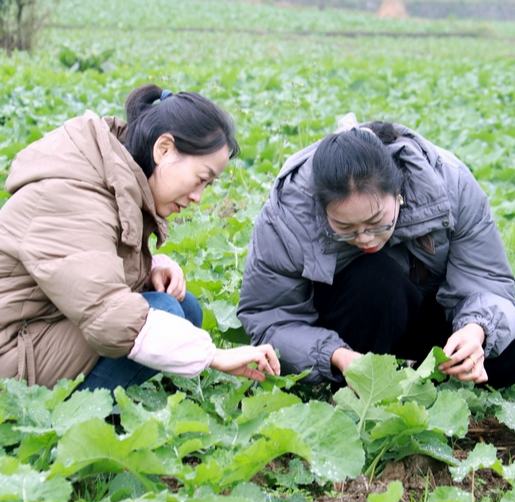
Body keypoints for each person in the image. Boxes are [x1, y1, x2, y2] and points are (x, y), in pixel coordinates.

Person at [0, 84, 279, 391]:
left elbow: (83, 266)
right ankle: (73, 420)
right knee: (165, 311)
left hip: (41, 326)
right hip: (12, 355)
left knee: (185, 309)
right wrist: (213, 356)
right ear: (164, 149)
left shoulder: (110, 171)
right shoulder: (71, 194)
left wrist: (150, 267)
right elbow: (106, 314)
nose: (199, 197)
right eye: (201, 179)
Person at [238, 114, 514, 389]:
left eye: (376, 222)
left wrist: (476, 331)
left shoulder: (450, 183)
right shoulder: (287, 216)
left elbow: (487, 280)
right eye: (345, 227)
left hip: (431, 312)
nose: (365, 238)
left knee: (505, 350)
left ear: (398, 193)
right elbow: (270, 317)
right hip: (352, 328)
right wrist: (336, 356)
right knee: (375, 278)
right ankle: (361, 386)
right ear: (322, 209)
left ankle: (427, 374)